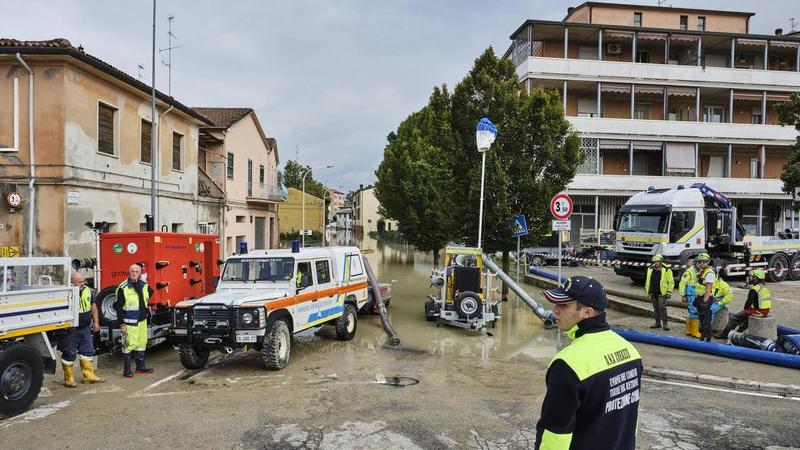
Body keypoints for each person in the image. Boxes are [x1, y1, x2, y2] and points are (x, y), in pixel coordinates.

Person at [536, 276, 643, 450]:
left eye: (564, 305)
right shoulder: (630, 352)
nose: (555, 310)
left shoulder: (567, 364)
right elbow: (630, 416)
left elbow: (555, 433)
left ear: (588, 312)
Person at [58, 272, 105, 387]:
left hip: (85, 327)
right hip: (71, 330)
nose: (82, 284)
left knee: (87, 352)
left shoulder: (88, 291)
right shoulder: (67, 293)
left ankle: (89, 376)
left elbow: (93, 307)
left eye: (83, 281)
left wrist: (96, 322)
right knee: (69, 353)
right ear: (72, 283)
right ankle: (69, 378)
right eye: (79, 282)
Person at [114, 264, 154, 378]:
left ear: (140, 273)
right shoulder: (123, 287)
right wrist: (122, 324)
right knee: (128, 345)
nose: (134, 273)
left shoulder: (144, 285)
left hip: (142, 320)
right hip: (129, 322)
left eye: (136, 271)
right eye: (132, 271)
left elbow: (150, 292)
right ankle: (127, 370)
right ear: (129, 272)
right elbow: (118, 308)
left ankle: (140, 367)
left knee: (141, 343)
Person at [719, 269, 771, 339]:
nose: (751, 278)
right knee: (745, 319)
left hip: (757, 311)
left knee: (735, 318)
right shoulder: (765, 288)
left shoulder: (754, 289)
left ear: (756, 278)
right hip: (765, 312)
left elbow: (748, 302)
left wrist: (745, 310)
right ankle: (738, 334)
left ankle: (724, 335)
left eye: (752, 277)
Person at [679, 253, 713, 338]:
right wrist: (683, 295)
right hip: (691, 294)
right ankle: (694, 331)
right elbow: (682, 283)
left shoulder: (699, 271)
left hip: (695, 294)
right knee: (694, 312)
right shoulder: (690, 271)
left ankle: (689, 330)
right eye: (699, 262)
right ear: (695, 262)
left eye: (703, 262)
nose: (701, 264)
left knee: (691, 311)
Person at [644, 254, 673, 331]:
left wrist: (669, 292)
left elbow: (671, 282)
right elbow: (648, 280)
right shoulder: (650, 269)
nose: (656, 263)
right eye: (655, 261)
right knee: (655, 308)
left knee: (662, 308)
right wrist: (647, 290)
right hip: (653, 292)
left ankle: (665, 324)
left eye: (657, 261)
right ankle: (657, 323)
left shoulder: (666, 270)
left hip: (662, 293)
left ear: (661, 261)